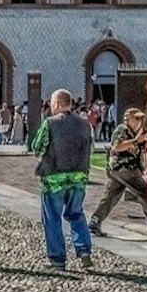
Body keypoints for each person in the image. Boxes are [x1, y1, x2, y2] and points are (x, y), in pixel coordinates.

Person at [30, 89, 94, 271]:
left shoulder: (50, 123)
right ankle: (84, 251)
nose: (50, 107)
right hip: (78, 177)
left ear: (57, 103)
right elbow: (90, 148)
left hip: (54, 179)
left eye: (51, 103)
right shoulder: (85, 124)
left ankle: (58, 260)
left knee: (52, 218)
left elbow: (36, 146)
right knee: (76, 214)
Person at [89, 107, 147, 237]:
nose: (139, 121)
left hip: (119, 171)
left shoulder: (134, 133)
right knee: (143, 191)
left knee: (111, 196)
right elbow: (118, 146)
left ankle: (95, 222)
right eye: (136, 118)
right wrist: (135, 141)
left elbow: (145, 144)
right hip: (124, 168)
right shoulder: (122, 130)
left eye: (141, 119)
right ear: (128, 119)